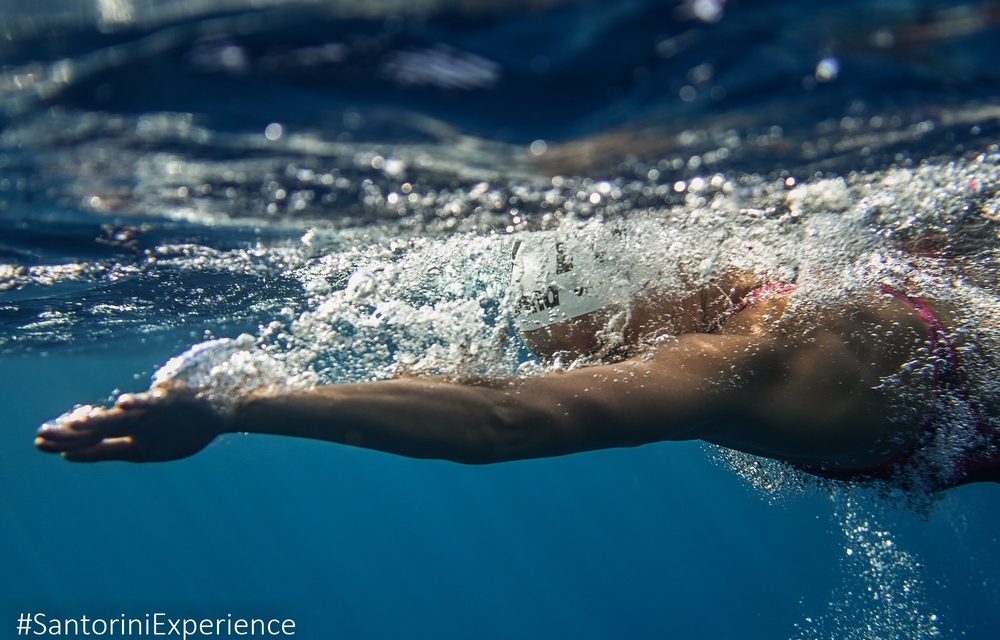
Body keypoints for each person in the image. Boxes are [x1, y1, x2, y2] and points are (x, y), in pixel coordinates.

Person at [34, 233, 1000, 491]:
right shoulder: (750, 357)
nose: (630, 364)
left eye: (620, 347)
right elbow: (504, 409)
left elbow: (508, 412)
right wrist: (248, 406)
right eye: (613, 357)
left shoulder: (776, 329)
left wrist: (246, 407)